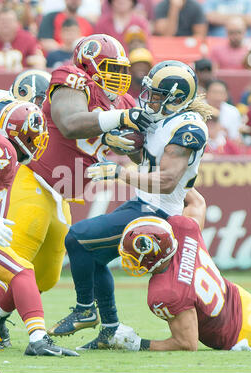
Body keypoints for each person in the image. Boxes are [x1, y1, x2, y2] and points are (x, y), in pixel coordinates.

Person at [0, 34, 153, 347]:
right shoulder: (71, 79)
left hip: (61, 193)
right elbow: (69, 123)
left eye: (122, 68)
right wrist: (118, 119)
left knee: (47, 275)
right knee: (11, 257)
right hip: (32, 178)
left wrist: (146, 135)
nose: (118, 75)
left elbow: (140, 153)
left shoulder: (125, 102)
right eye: (109, 67)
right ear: (89, 65)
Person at [48, 60, 213, 350]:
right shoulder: (163, 119)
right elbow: (149, 162)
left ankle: (85, 309)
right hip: (144, 205)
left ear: (177, 99)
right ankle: (110, 330)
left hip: (160, 214)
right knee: (92, 255)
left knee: (77, 238)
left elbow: (167, 180)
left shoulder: (187, 127)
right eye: (149, 90)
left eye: (158, 94)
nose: (149, 98)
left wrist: (119, 172)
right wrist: (132, 149)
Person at [0, 100, 78, 357]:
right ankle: (38, 339)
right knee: (21, 270)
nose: (40, 142)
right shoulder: (3, 149)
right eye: (37, 136)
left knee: (14, 268)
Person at [109, 214, 251, 352]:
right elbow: (197, 202)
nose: (129, 261)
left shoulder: (166, 291)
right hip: (244, 300)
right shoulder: (183, 228)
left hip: (242, 332)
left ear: (154, 255)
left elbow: (187, 343)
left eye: (133, 256)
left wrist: (137, 343)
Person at [0, 7, 46, 71]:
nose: (6, 24)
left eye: (9, 21)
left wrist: (35, 61)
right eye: (2, 21)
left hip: (23, 78)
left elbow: (39, 60)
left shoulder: (28, 39)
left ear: (17, 23)